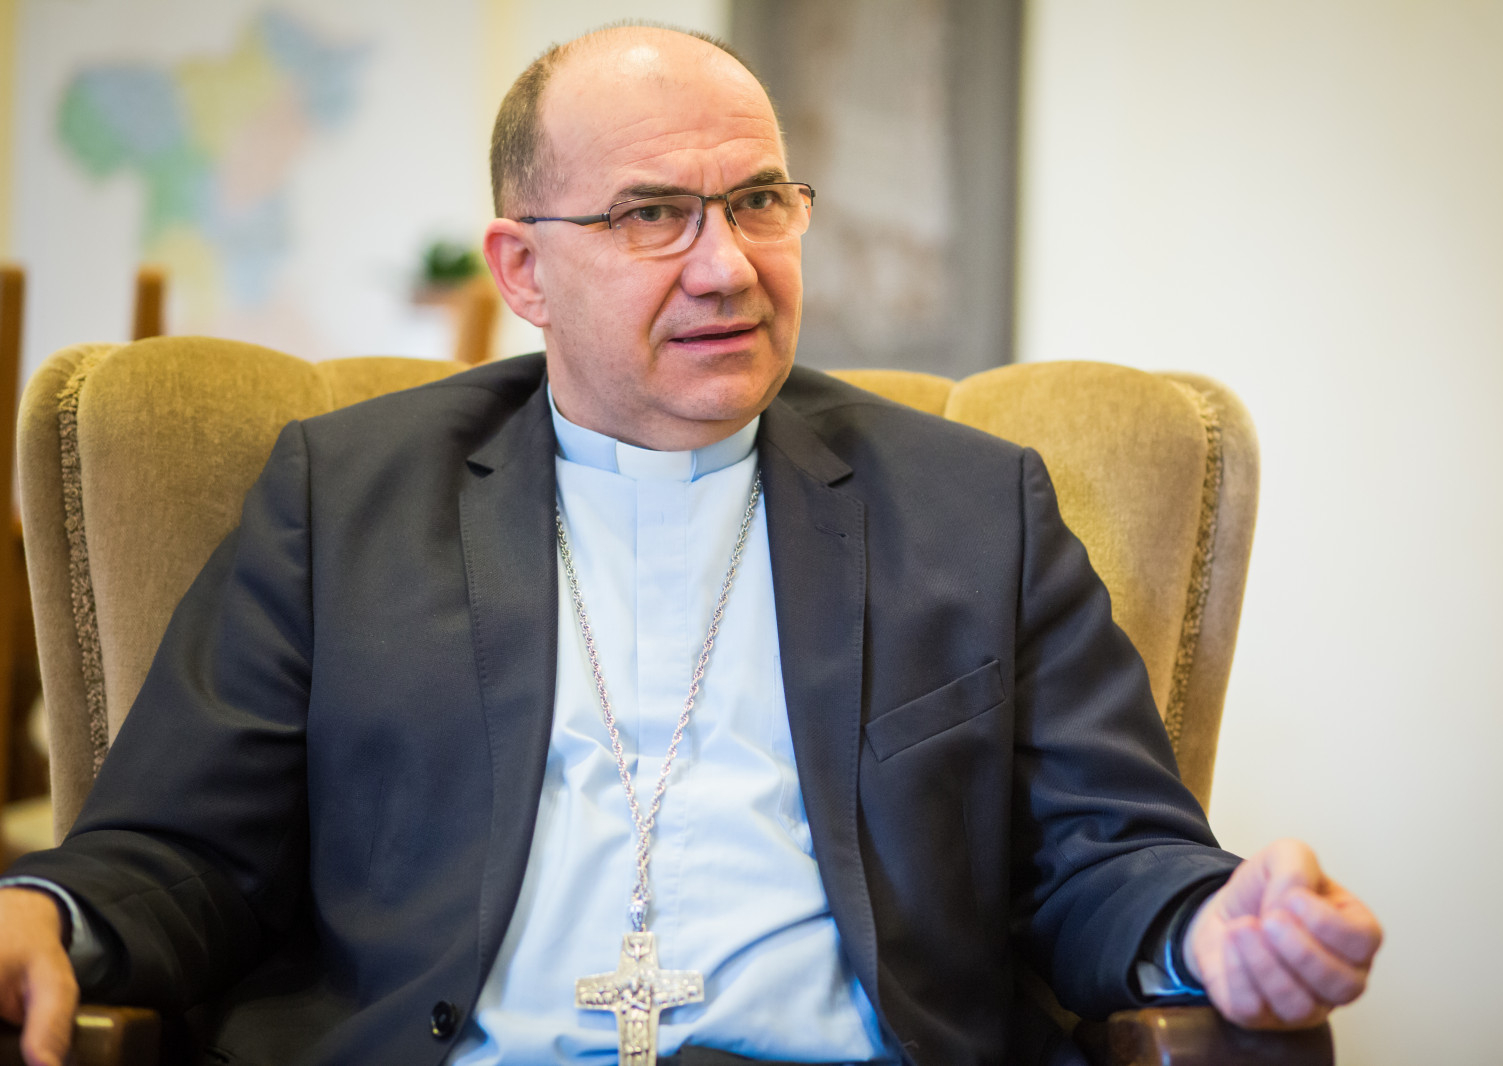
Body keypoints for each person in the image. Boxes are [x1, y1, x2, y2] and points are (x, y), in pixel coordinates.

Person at [0, 25, 1381, 1066]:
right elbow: (181, 848)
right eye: (652, 214)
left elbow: (1105, 852)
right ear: (524, 270)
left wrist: (1212, 924)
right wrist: (47, 913)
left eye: (760, 202)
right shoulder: (342, 497)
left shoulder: (973, 507)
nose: (727, 266)